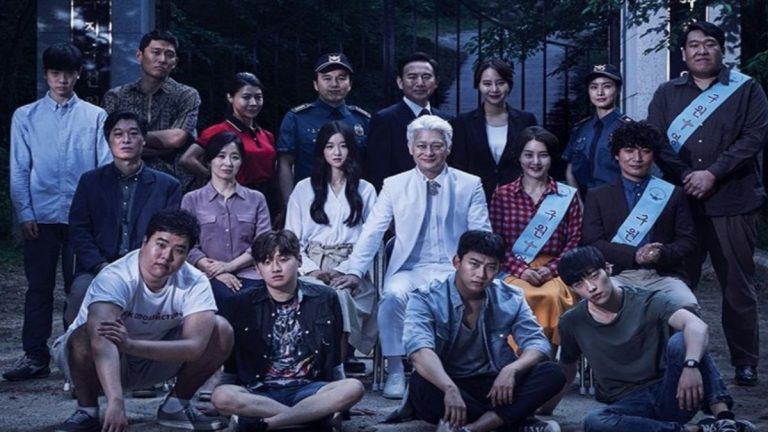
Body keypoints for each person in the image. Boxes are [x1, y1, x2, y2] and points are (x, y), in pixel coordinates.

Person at [332, 115, 492, 399]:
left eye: (436, 146)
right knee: (392, 295)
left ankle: (455, 371)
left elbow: (481, 234)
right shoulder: (394, 185)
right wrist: (355, 271)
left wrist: (476, 272)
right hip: (410, 268)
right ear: (410, 148)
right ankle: (395, 369)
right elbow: (372, 231)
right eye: (421, 146)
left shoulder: (470, 184)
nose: (428, 152)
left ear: (448, 148)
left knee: (462, 296)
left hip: (454, 269)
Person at [647, 21, 768, 386]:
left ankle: (745, 362)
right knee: (677, 284)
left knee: (737, 286)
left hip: (733, 201)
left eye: (710, 43)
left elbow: (753, 138)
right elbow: (656, 140)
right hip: (681, 202)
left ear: (721, 50)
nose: (702, 50)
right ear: (683, 53)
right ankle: (675, 357)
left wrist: (713, 173)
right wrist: (687, 175)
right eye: (694, 45)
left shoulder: (747, 89)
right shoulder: (666, 93)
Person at [51, 209, 233, 432]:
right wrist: (115, 400)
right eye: (161, 244)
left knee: (220, 329)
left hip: (150, 357)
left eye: (179, 250)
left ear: (187, 255)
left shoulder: (195, 281)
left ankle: (176, 406)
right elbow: (100, 338)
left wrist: (131, 345)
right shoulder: (116, 276)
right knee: (87, 334)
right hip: (94, 360)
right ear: (145, 242)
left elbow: (195, 347)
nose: (166, 256)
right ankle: (87, 411)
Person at [540, 246, 755, 432]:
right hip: (629, 404)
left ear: (608, 269)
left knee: (684, 339)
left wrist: (690, 366)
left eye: (594, 276)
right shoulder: (572, 321)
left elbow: (697, 325)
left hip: (673, 392)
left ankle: (725, 420)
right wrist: (546, 409)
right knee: (595, 422)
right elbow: (567, 367)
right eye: (579, 284)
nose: (591, 287)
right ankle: (694, 430)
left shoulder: (647, 300)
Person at [4, 42, 112, 382]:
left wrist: (96, 217)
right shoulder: (26, 116)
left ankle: (74, 356)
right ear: (45, 75)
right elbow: (20, 168)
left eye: (68, 73)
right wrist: (25, 212)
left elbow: (103, 169)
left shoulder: (95, 117)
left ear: (78, 74)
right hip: (41, 216)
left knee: (79, 289)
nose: (61, 81)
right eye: (55, 73)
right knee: (38, 287)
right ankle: (35, 356)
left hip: (81, 220)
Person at [404, 230, 565, 432]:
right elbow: (419, 351)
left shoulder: (510, 296)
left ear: (499, 269)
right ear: (457, 262)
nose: (481, 274)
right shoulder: (426, 297)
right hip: (447, 382)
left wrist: (512, 369)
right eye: (474, 264)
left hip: (494, 383)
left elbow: (537, 343)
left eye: (491, 267)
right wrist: (449, 388)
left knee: (552, 373)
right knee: (421, 384)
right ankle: (516, 424)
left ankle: (473, 428)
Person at [211, 230, 365, 432]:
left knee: (353, 387)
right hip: (260, 391)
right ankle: (313, 419)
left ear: (299, 261)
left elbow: (335, 360)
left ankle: (266, 424)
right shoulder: (241, 302)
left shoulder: (325, 297)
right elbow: (231, 365)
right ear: (257, 268)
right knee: (221, 396)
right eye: (267, 262)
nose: (275, 268)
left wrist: (342, 403)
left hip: (310, 389)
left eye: (283, 260)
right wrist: (220, 404)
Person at [66, 110, 182, 327]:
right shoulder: (90, 182)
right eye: (118, 134)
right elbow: (78, 230)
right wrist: (99, 265)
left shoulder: (167, 186)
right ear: (108, 140)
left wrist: (144, 267)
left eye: (133, 133)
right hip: (98, 266)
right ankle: (76, 346)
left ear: (144, 139)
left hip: (148, 268)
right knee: (81, 292)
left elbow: (170, 235)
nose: (126, 140)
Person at [284, 121, 379, 361]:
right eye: (330, 146)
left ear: (351, 149)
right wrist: (312, 270)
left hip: (352, 265)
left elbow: (371, 239)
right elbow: (292, 240)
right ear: (321, 151)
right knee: (317, 294)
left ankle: (337, 363)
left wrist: (346, 269)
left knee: (340, 296)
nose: (337, 152)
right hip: (311, 263)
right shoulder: (303, 189)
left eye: (343, 146)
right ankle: (317, 362)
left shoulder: (365, 190)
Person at [582, 121, 698, 307]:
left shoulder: (673, 194)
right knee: (606, 307)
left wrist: (661, 254)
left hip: (663, 276)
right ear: (617, 154)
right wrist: (635, 255)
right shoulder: (598, 196)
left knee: (687, 306)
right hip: (618, 275)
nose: (637, 158)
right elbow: (592, 242)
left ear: (654, 155)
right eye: (629, 150)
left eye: (645, 151)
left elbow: (687, 241)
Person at [489, 126, 581, 350]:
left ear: (551, 158)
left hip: (556, 270)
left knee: (551, 295)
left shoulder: (566, 195)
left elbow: (575, 241)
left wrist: (549, 270)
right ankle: (517, 359)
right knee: (519, 295)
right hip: (512, 269)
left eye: (543, 155)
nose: (536, 162)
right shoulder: (502, 195)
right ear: (519, 157)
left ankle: (546, 358)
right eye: (528, 155)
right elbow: (496, 243)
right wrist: (522, 271)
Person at [181, 131, 271, 305]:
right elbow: (188, 246)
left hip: (250, 274)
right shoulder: (191, 199)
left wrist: (230, 266)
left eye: (235, 157)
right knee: (222, 297)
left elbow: (263, 243)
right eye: (221, 156)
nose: (228, 163)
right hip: (206, 274)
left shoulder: (256, 199)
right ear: (209, 160)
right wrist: (216, 271)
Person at [103, 29, 201, 190]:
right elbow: (108, 140)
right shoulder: (116, 96)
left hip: (177, 184)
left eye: (169, 55)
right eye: (156, 52)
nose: (162, 59)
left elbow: (176, 138)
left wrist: (130, 140)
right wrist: (163, 149)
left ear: (175, 61)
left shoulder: (187, 95)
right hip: (126, 181)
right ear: (139, 55)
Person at [180, 72, 279, 217]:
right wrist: (215, 177)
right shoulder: (217, 131)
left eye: (258, 97)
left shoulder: (266, 135)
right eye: (246, 97)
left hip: (267, 199)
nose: (253, 103)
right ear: (230, 97)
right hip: (234, 197)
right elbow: (187, 159)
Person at [276, 53, 370, 205]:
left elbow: (371, 164)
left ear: (350, 84)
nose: (334, 84)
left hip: (353, 201)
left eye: (341, 78)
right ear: (315, 84)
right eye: (327, 78)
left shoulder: (362, 120)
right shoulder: (297, 118)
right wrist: (289, 205)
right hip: (308, 201)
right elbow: (285, 163)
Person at [449, 58, 538, 203]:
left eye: (500, 83)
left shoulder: (526, 120)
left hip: (518, 200)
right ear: (478, 85)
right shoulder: (462, 123)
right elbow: (457, 168)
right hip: (475, 200)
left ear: (509, 84)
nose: (494, 89)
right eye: (487, 84)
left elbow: (534, 160)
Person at [365, 52, 452, 191]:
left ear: (436, 82)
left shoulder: (447, 120)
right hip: (401, 197)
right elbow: (377, 171)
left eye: (426, 77)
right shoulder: (384, 120)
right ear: (400, 82)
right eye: (412, 77)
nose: (420, 83)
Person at [563, 64, 632, 196]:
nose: (600, 93)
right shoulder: (580, 129)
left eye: (607, 86)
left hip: (616, 200)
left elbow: (636, 172)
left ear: (618, 90)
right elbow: (570, 171)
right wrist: (578, 201)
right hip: (583, 201)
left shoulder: (628, 128)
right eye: (594, 87)